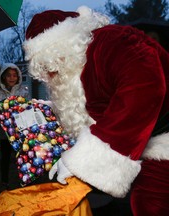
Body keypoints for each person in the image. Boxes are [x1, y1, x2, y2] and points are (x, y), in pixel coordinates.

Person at [23, 6, 169, 216]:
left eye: (53, 63)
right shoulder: (79, 73)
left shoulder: (110, 41)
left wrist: (84, 161)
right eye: (45, 69)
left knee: (151, 204)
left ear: (68, 44)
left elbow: (145, 87)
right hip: (145, 146)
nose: (51, 74)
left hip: (163, 139)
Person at [0, 63, 29, 188]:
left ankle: (25, 179)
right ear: (3, 77)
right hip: (4, 133)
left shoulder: (23, 91)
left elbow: (26, 108)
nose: (12, 78)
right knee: (5, 157)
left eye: (14, 75)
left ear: (18, 77)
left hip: (19, 131)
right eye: (9, 75)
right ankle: (4, 180)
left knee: (22, 156)